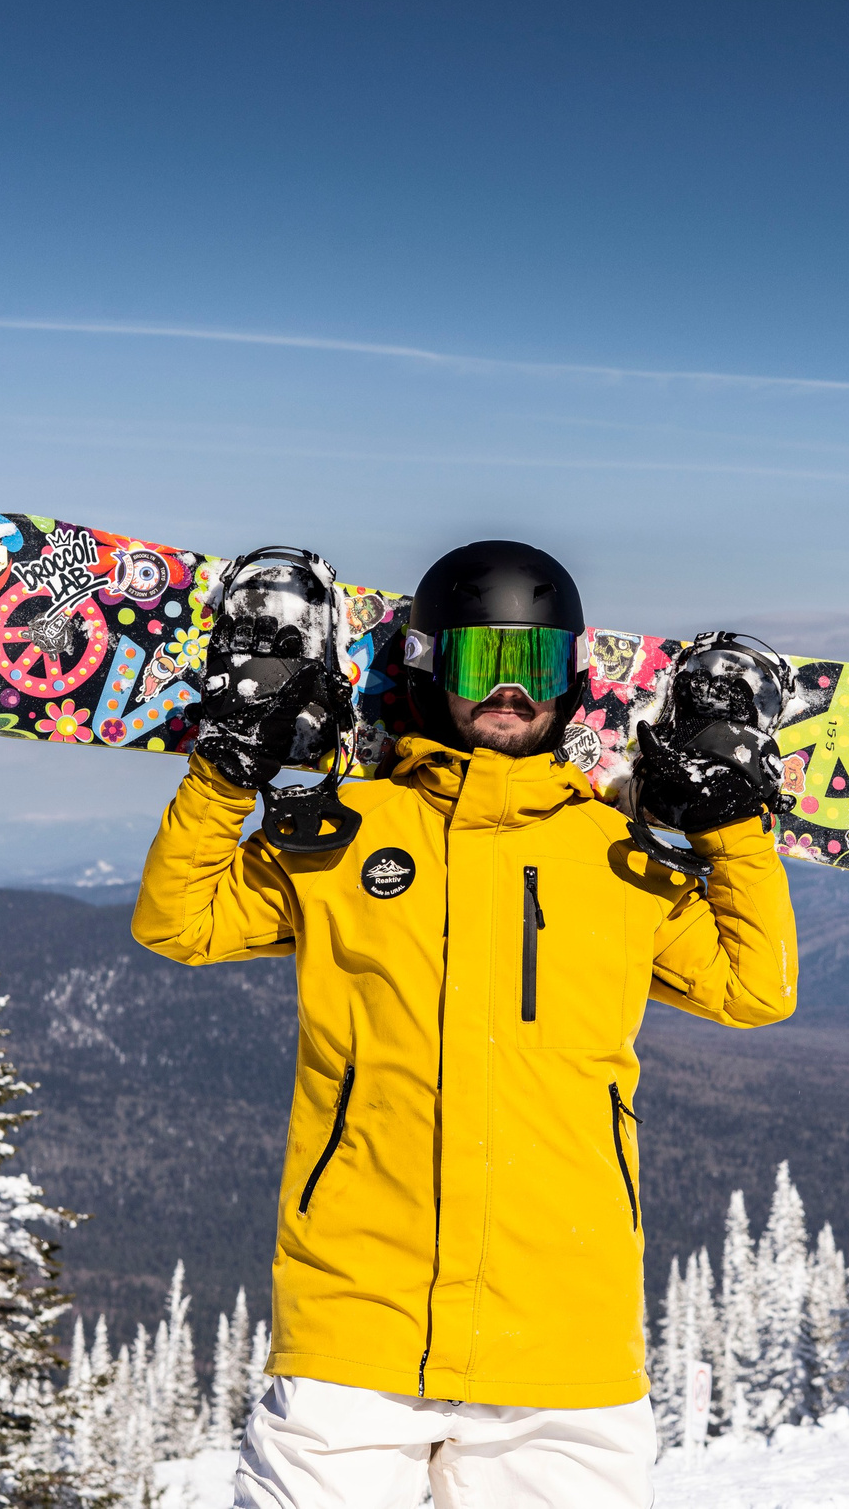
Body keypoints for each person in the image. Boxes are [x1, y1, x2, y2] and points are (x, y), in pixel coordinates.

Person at [132, 539, 798, 1509]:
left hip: (563, 1346)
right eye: (484, 662)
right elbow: (178, 918)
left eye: (533, 666)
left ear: (570, 682)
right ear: (429, 666)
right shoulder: (346, 834)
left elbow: (755, 986)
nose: (509, 694)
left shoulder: (617, 859)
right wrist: (230, 762)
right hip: (353, 1327)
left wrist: (730, 823)